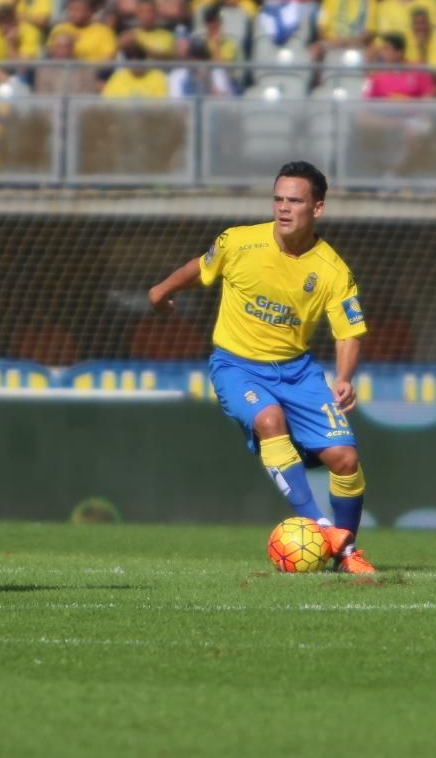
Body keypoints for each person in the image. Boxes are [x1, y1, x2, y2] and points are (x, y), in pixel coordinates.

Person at [147, 163, 374, 573]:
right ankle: (327, 533)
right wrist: (160, 291)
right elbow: (200, 267)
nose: (284, 209)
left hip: (298, 371)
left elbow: (348, 331)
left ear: (318, 208)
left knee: (345, 459)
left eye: (295, 201)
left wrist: (343, 378)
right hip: (237, 366)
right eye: (278, 199)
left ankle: (347, 554)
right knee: (269, 419)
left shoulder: (333, 270)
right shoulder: (239, 241)